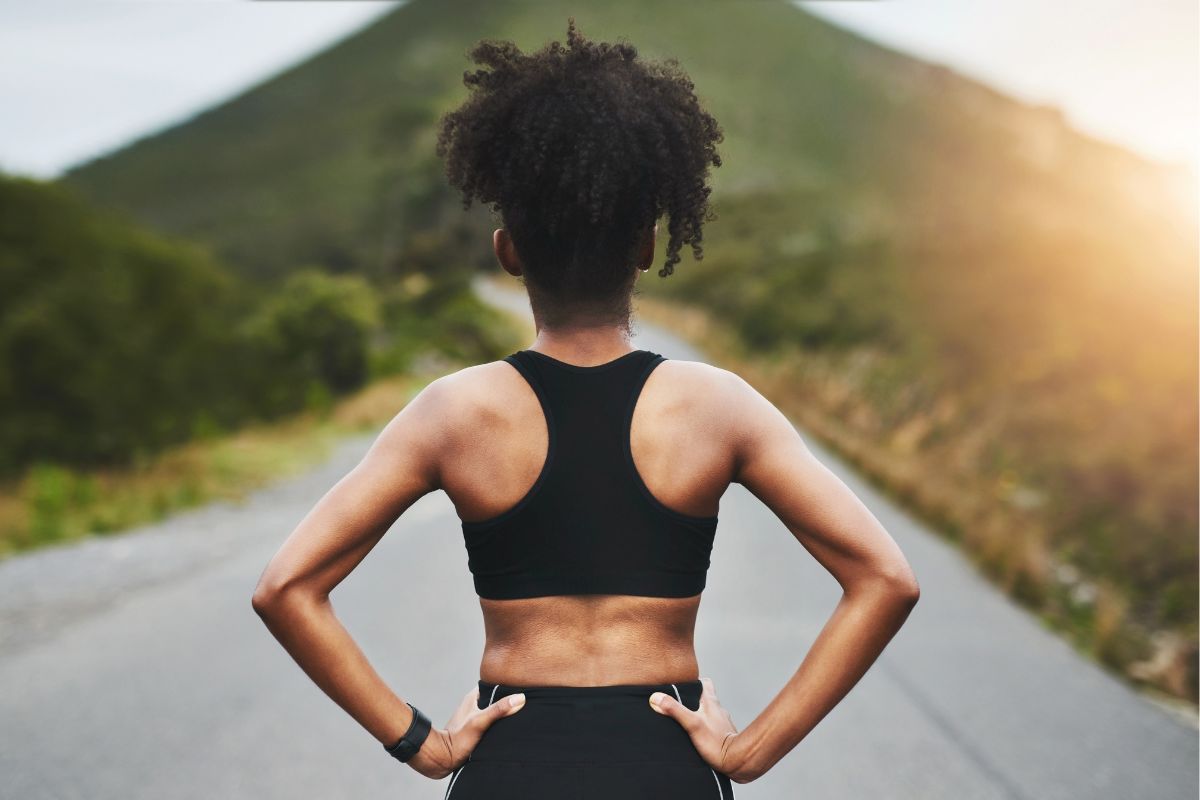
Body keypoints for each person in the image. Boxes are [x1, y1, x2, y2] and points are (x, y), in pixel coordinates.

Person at [251, 17, 920, 799]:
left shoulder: (452, 412)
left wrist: (422, 744)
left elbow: (284, 588)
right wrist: (751, 751)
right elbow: (885, 578)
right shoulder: (719, 407)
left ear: (508, 251)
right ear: (645, 245)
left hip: (512, 762)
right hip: (665, 763)